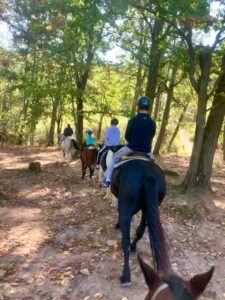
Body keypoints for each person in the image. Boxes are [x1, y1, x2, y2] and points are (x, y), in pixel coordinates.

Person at [103, 96, 156, 187]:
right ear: (149, 107)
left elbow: (127, 137)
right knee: (153, 164)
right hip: (147, 151)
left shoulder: (132, 121)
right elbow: (151, 137)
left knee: (115, 157)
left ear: (138, 107)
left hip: (131, 149)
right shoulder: (152, 123)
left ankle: (108, 179)